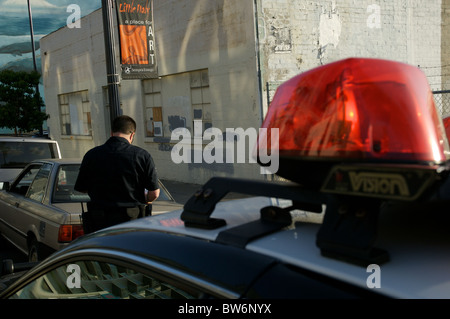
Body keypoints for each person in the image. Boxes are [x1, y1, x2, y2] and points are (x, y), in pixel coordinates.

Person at [75, 115, 160, 234]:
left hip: (100, 222)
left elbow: (81, 188)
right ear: (132, 135)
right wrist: (145, 198)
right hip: (132, 222)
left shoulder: (91, 155)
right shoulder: (142, 156)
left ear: (112, 133)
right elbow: (154, 193)